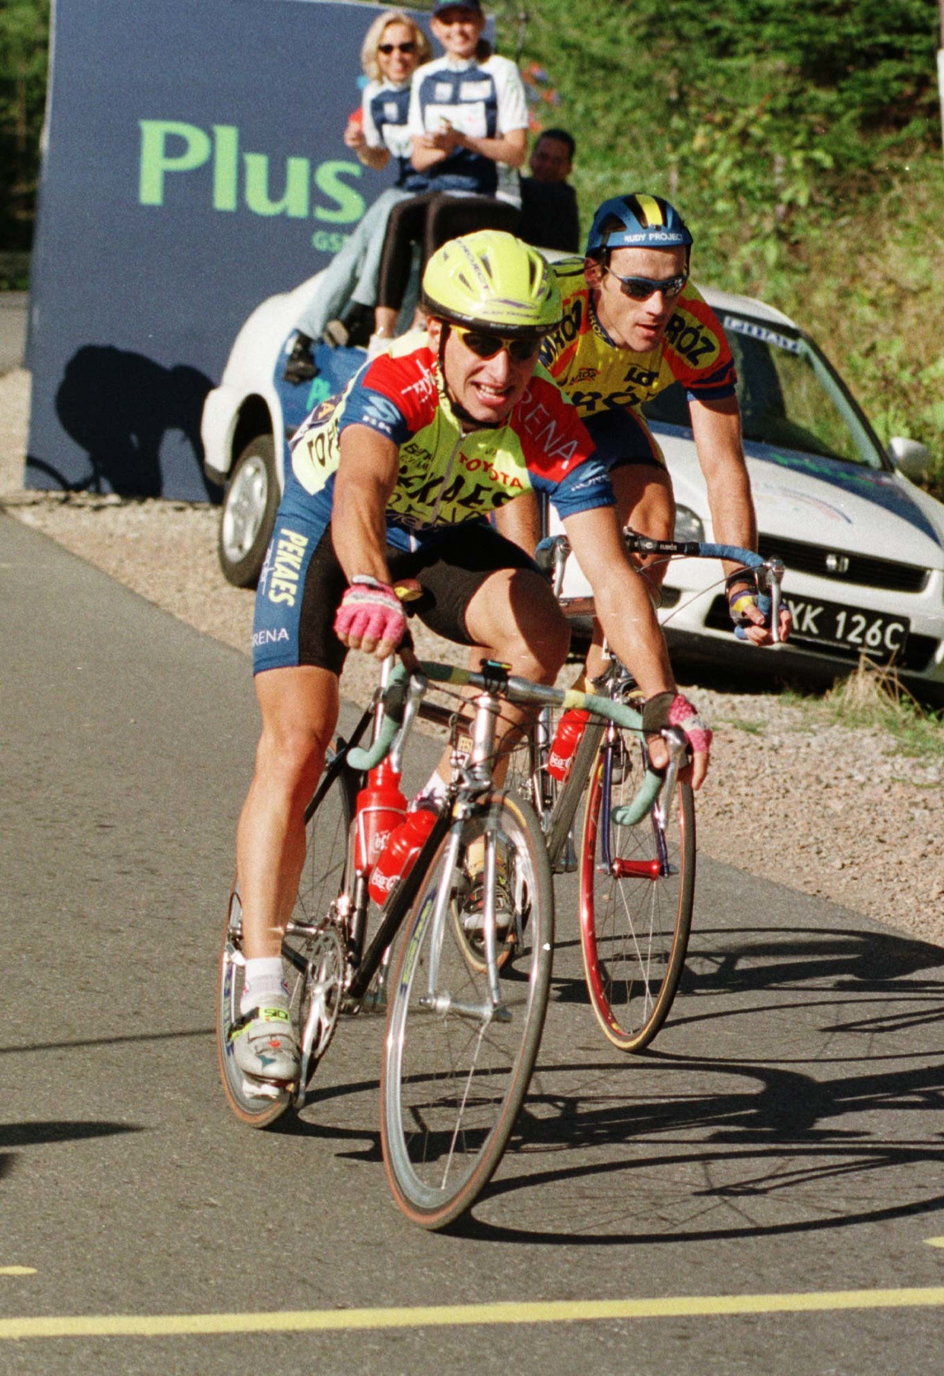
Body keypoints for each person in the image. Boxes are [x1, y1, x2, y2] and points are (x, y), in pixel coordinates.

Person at [229, 230, 713, 1085]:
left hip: (436, 535)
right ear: (435, 329)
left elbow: (610, 572)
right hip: (328, 535)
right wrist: (371, 587)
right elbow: (361, 494)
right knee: (300, 744)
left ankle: (451, 791)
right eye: (482, 343)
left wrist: (662, 698)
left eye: (524, 348)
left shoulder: (545, 417)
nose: (502, 369)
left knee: (543, 632)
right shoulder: (396, 382)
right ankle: (262, 992)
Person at [497, 191, 791, 649]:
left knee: (651, 530)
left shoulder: (695, 331)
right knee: (519, 602)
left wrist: (741, 585)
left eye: (672, 286)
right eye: (637, 288)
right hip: (513, 424)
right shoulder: (551, 309)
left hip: (602, 417)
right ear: (595, 274)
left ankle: (595, 699)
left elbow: (724, 468)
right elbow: (502, 436)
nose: (657, 306)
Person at [282, 10, 431, 383]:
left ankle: (359, 312)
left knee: (390, 213)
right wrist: (361, 144)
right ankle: (308, 334)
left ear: (420, 52)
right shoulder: (378, 95)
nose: (397, 56)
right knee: (362, 238)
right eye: (388, 49)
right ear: (376, 56)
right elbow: (379, 158)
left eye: (406, 48)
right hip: (409, 188)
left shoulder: (433, 88)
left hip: (441, 191)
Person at [370, 0, 529, 346]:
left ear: (481, 23)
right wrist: (441, 145)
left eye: (466, 20)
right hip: (445, 189)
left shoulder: (500, 70)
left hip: (495, 196)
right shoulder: (426, 76)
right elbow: (418, 159)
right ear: (436, 28)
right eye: (450, 22)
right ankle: (381, 332)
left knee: (438, 211)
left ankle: (425, 320)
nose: (459, 30)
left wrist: (464, 140)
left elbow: (517, 152)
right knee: (400, 213)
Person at [517, 127, 580, 254]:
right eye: (543, 157)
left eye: (557, 161)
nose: (548, 166)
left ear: (569, 167)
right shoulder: (516, 190)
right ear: (531, 157)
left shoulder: (564, 199)